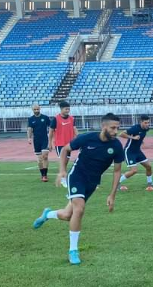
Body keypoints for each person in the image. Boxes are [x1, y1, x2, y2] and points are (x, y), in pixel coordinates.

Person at [33, 113, 125, 265]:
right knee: (80, 209)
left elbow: (117, 171)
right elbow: (65, 149)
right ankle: (73, 250)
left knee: (68, 215)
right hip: (77, 176)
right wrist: (62, 170)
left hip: (92, 183)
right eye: (113, 128)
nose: (116, 131)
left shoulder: (116, 146)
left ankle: (47, 214)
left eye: (117, 128)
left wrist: (112, 195)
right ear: (103, 126)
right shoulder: (87, 138)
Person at [118, 115, 153, 191]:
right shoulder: (135, 128)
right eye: (145, 123)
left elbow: (141, 136)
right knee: (134, 171)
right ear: (141, 122)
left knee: (148, 167)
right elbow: (121, 134)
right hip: (129, 151)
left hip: (138, 151)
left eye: (148, 122)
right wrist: (133, 137)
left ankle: (150, 183)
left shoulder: (146, 129)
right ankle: (117, 182)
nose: (147, 124)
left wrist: (141, 141)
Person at [49, 100, 79, 188]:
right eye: (66, 109)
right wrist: (49, 143)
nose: (67, 111)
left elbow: (74, 129)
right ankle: (63, 179)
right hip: (60, 144)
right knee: (63, 161)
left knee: (65, 162)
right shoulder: (56, 119)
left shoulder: (72, 119)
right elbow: (51, 131)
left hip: (69, 144)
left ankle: (63, 177)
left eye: (68, 109)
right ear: (61, 109)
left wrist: (79, 138)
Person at [27, 104, 51, 182]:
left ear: (40, 109)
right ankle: (42, 174)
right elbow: (29, 129)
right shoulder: (31, 119)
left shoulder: (45, 117)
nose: (36, 111)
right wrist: (29, 138)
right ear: (32, 110)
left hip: (45, 139)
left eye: (37, 109)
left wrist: (51, 138)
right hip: (36, 140)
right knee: (40, 159)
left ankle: (45, 175)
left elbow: (51, 127)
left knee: (45, 156)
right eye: (35, 109)